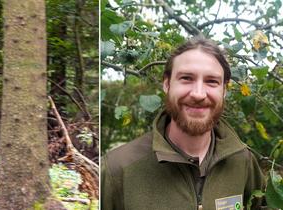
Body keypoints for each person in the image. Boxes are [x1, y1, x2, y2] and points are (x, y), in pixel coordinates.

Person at [102, 37, 265, 210]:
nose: (198, 94)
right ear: (167, 84)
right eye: (187, 78)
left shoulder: (243, 161)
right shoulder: (117, 170)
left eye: (211, 81)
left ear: (224, 90)